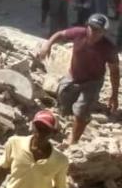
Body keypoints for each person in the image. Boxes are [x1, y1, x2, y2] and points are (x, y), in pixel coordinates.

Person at [38, 13, 119, 143]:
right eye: (91, 28)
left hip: (93, 82)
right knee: (64, 105)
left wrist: (114, 95)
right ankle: (66, 123)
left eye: (98, 30)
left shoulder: (108, 48)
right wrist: (47, 45)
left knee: (81, 111)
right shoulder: (79, 33)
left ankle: (73, 140)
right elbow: (60, 34)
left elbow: (115, 72)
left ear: (104, 32)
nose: (93, 32)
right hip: (73, 76)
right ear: (87, 27)